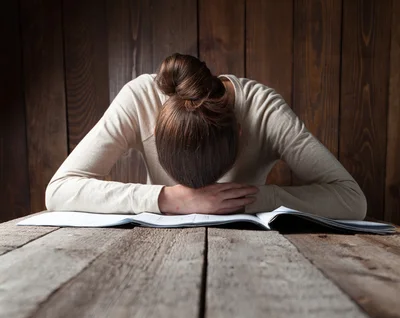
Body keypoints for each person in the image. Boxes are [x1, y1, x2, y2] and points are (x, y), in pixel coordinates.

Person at [45, 53, 367, 219]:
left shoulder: (264, 111)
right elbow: (59, 190)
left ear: (240, 132)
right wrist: (168, 199)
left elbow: (351, 199)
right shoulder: (140, 100)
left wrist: (256, 198)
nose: (202, 195)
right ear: (156, 131)